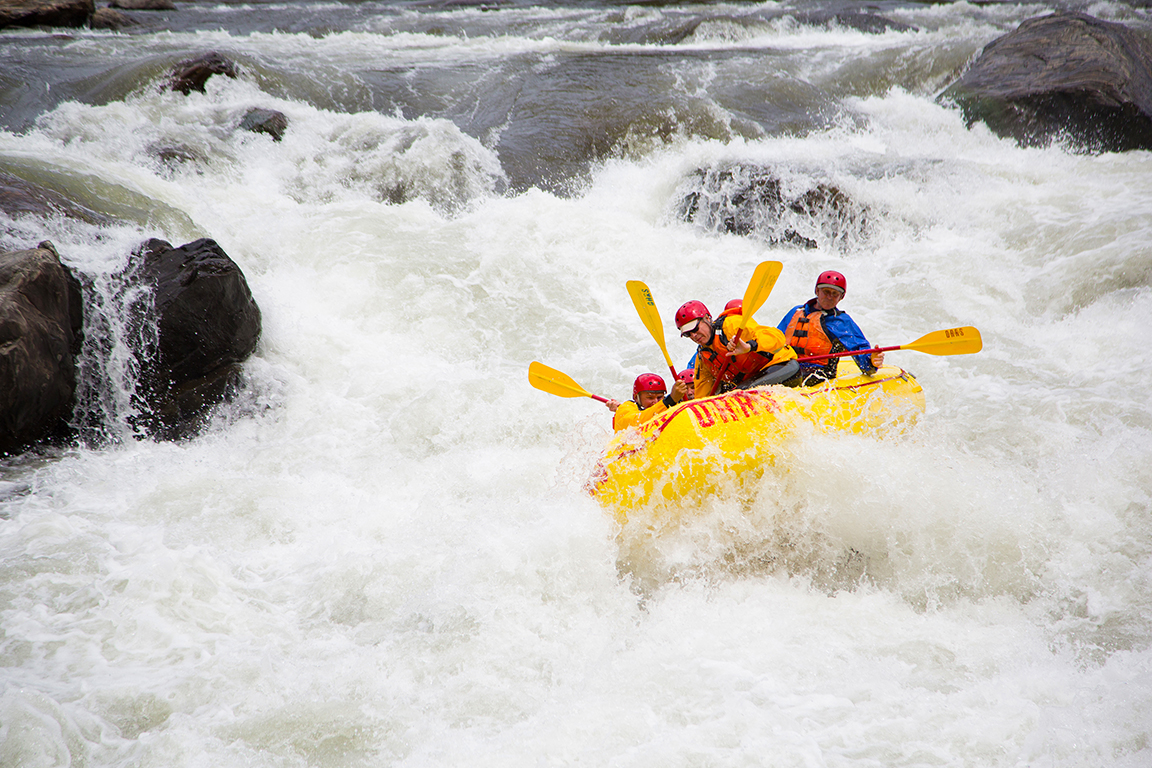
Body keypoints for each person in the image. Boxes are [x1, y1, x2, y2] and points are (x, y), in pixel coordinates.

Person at [675, 299, 798, 398]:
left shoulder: (731, 325)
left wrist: (750, 346)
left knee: (738, 394)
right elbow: (703, 395)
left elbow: (777, 338)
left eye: (695, 329)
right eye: (687, 334)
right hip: (751, 381)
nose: (693, 336)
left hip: (783, 367)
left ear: (707, 318)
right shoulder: (702, 357)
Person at [777, 270, 884, 383]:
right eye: (826, 291)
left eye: (835, 294)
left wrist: (871, 361)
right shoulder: (796, 311)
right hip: (790, 366)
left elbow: (860, 350)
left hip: (819, 372)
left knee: (791, 374)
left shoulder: (841, 322)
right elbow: (776, 339)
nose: (829, 297)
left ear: (841, 297)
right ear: (817, 291)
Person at [605, 373, 688, 431]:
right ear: (636, 398)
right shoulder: (625, 409)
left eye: (659, 397)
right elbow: (637, 422)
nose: (655, 402)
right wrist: (670, 400)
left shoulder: (670, 406)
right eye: (650, 398)